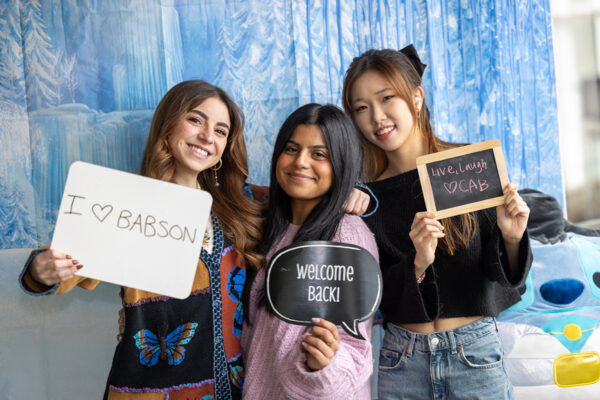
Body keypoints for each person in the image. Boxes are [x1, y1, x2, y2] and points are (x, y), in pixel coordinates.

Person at [18, 80, 264, 399]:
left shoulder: (241, 204)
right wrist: (41, 271)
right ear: (168, 124)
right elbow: (65, 260)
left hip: (232, 386)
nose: (207, 136)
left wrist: (352, 192)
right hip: (152, 389)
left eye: (220, 130)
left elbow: (308, 195)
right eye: (195, 119)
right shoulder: (129, 208)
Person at [341, 46, 533, 399]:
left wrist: (511, 236)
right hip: (402, 360)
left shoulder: (469, 166)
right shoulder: (364, 199)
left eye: (387, 99)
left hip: (474, 354)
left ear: (416, 97)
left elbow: (498, 275)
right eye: (361, 108)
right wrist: (417, 264)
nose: (377, 117)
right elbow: (372, 295)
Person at [241, 103, 379, 399]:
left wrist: (324, 365)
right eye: (291, 149)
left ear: (341, 164)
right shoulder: (266, 226)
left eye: (319, 154)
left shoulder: (347, 236)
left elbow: (355, 349)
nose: (300, 162)